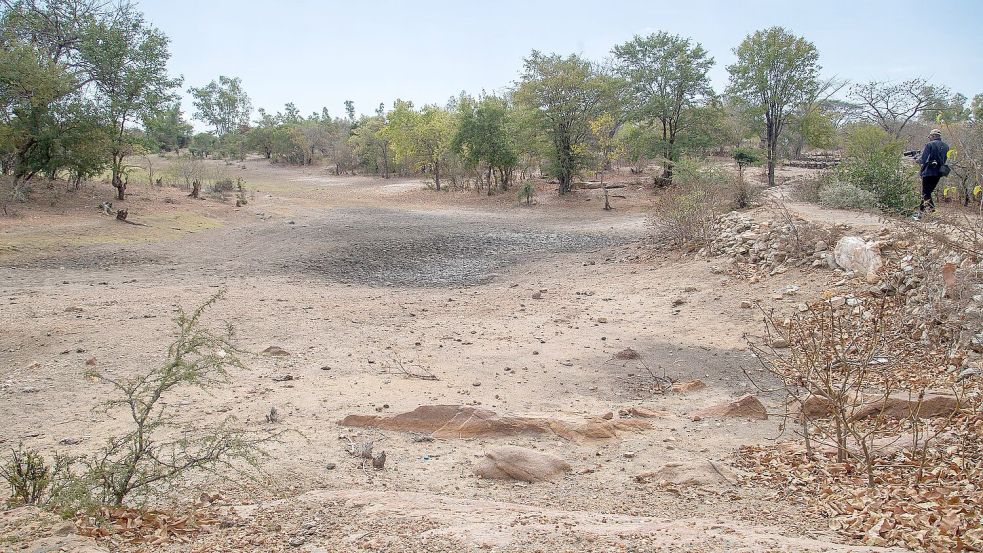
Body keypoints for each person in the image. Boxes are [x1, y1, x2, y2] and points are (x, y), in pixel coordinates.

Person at [916, 129, 950, 217]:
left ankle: (933, 212)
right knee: (927, 193)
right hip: (939, 173)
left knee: (925, 193)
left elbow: (922, 160)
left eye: (930, 136)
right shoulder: (946, 146)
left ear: (933, 136)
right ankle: (920, 213)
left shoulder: (929, 144)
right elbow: (944, 160)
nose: (929, 138)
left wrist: (916, 159)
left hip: (928, 172)